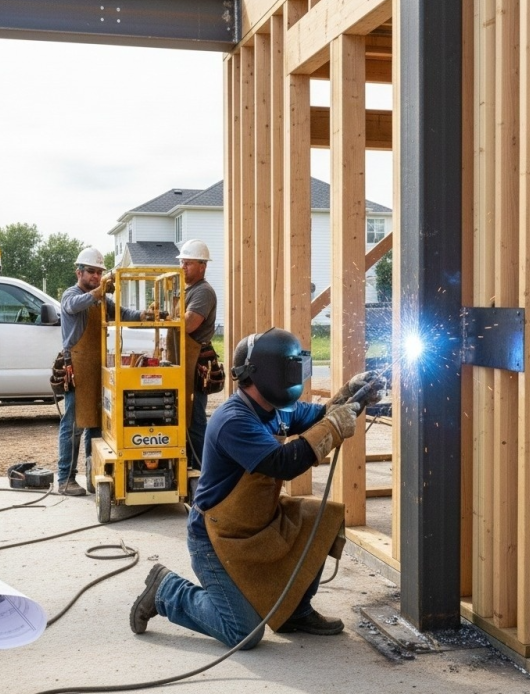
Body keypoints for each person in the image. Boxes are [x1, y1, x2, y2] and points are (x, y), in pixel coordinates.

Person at [128, 327, 383, 648]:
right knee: (244, 632)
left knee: (322, 519)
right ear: (266, 372)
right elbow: (283, 462)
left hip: (260, 522)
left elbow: (323, 416)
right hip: (217, 538)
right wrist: (333, 426)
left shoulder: (277, 410)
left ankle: (295, 612)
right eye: (289, 367)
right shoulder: (234, 420)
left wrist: (352, 394)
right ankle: (167, 590)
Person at [56, 247, 142, 496]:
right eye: (91, 271)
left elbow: (123, 314)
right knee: (74, 424)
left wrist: (144, 315)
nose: (96, 276)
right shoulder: (71, 295)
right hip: (77, 366)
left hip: (98, 367)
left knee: (96, 423)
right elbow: (73, 306)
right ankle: (65, 479)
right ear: (79, 272)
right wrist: (99, 291)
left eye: (99, 272)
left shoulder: (101, 299)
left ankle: (94, 475)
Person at [165, 238, 218, 469]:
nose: (183, 267)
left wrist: (165, 318)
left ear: (202, 266)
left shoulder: (203, 292)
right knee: (181, 415)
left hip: (195, 362)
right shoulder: (187, 290)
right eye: (182, 263)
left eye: (188, 263)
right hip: (182, 360)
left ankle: (200, 469)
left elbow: (188, 324)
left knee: (195, 419)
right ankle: (187, 466)